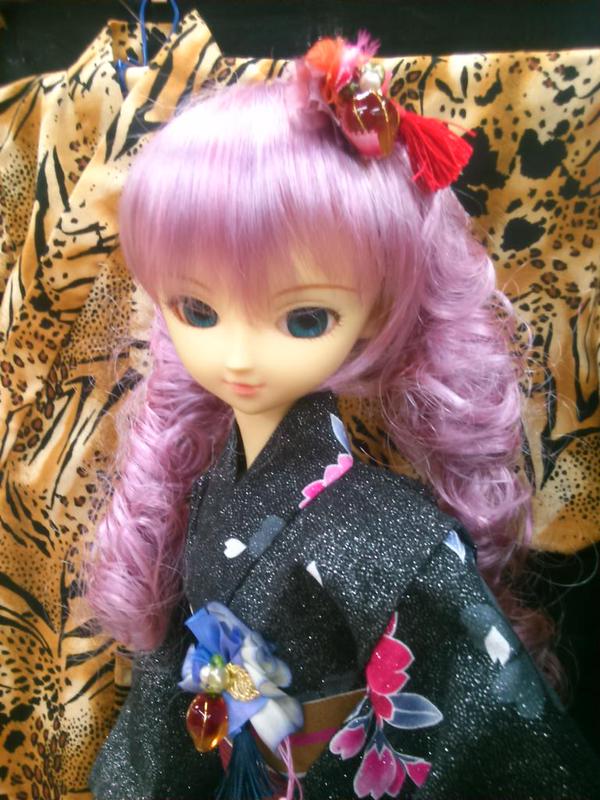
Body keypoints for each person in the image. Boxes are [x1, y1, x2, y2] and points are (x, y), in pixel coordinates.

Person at [86, 34, 600, 800]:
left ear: (377, 313)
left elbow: (501, 747)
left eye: (303, 319)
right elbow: (174, 687)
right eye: (197, 309)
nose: (238, 356)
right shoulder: (206, 490)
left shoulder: (390, 535)